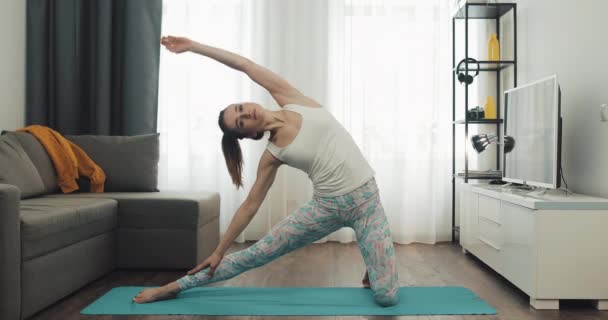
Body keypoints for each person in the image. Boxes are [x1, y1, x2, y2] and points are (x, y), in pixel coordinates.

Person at [132, 36, 399, 307]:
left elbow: (243, 64)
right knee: (258, 253)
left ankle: (373, 263)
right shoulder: (272, 154)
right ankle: (175, 286)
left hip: (367, 202)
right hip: (327, 207)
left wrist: (194, 47)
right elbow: (250, 205)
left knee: (385, 297)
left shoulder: (292, 99)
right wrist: (219, 250)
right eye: (241, 122)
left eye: (240, 108)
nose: (246, 114)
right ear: (248, 134)